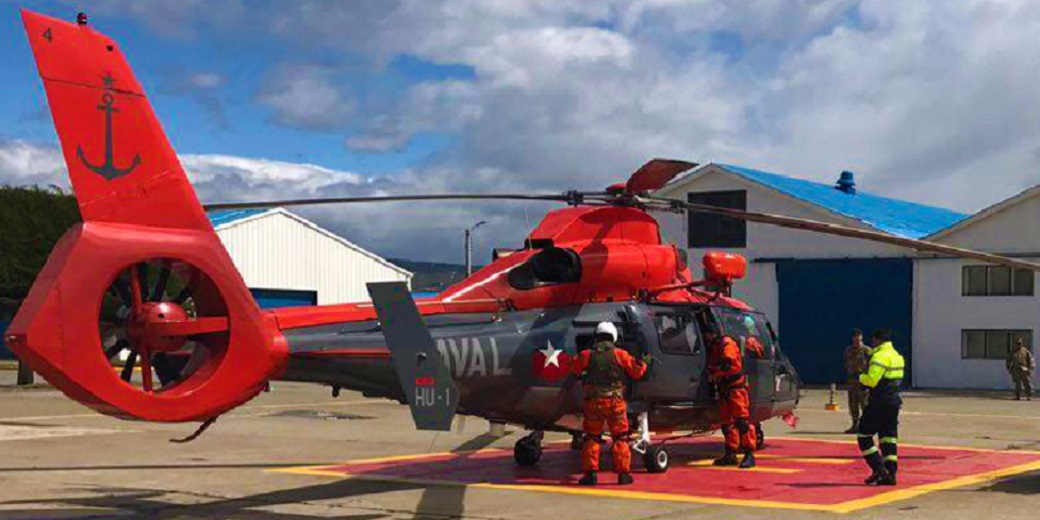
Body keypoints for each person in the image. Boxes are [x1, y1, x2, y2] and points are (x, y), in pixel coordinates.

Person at [571, 321, 648, 486]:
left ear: (596, 336)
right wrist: (645, 361)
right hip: (615, 403)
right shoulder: (620, 354)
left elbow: (574, 367)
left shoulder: (586, 355)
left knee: (592, 437)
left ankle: (590, 474)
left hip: (593, 403)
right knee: (620, 437)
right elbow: (637, 372)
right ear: (613, 337)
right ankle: (623, 474)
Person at [705, 322, 757, 469]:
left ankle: (749, 454)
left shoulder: (727, 344)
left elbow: (729, 365)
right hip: (724, 389)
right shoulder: (714, 346)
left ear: (712, 333)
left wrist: (714, 372)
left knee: (742, 421)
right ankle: (730, 453)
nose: (706, 338)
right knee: (727, 423)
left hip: (736, 389)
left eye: (707, 335)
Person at [857, 328, 904, 486]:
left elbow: (872, 380)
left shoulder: (879, 356)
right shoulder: (897, 356)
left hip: (879, 401)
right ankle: (891, 473)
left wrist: (860, 377)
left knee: (864, 435)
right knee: (888, 438)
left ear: (878, 340)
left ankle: (878, 469)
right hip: (894, 402)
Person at [844, 329, 871, 434]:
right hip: (852, 382)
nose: (856, 339)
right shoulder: (848, 350)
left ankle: (867, 426)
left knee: (865, 405)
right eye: (854, 337)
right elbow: (846, 364)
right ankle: (855, 425)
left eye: (858, 337)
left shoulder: (867, 351)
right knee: (853, 405)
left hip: (863, 383)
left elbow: (872, 366)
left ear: (861, 337)